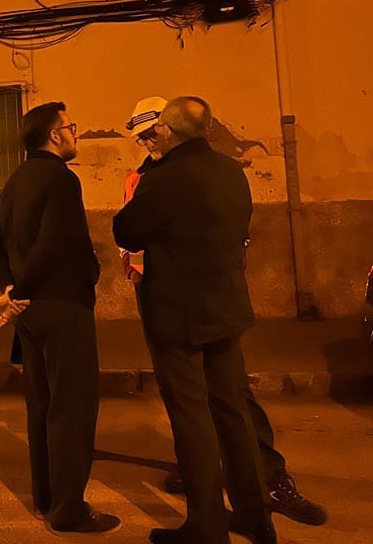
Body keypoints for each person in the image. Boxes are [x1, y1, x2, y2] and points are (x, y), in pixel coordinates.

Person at [123, 97, 326, 528]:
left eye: (152, 132)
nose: (148, 140)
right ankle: (256, 517)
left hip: (178, 315)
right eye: (142, 136)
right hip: (226, 306)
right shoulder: (231, 170)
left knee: (192, 416)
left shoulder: (160, 179)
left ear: (168, 129)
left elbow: (127, 229)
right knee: (232, 408)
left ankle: (207, 525)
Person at [0, 102, 120, 534]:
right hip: (63, 305)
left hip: (28, 313)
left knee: (42, 406)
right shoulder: (62, 179)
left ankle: (45, 499)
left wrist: (11, 291)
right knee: (72, 408)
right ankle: (68, 509)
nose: (75, 134)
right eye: (70, 127)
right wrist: (19, 291)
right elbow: (55, 243)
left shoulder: (14, 181)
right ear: (54, 135)